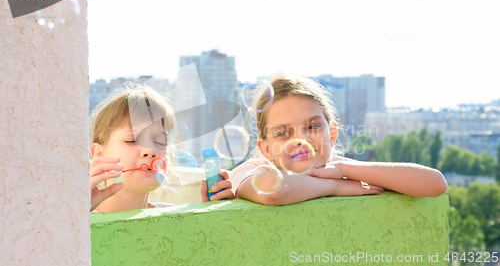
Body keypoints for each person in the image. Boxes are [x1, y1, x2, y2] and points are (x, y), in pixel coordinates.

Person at [229, 73, 448, 205]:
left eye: (313, 126)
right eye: (283, 133)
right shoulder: (255, 170)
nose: (300, 139)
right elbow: (272, 189)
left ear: (331, 135)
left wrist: (344, 170)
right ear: (266, 149)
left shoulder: (339, 167)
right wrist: (337, 187)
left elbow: (435, 184)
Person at [89, 82, 233, 212]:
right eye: (132, 140)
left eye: (160, 142)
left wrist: (211, 217)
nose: (150, 150)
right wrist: (81, 206)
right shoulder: (82, 222)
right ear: (99, 154)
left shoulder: (172, 217)